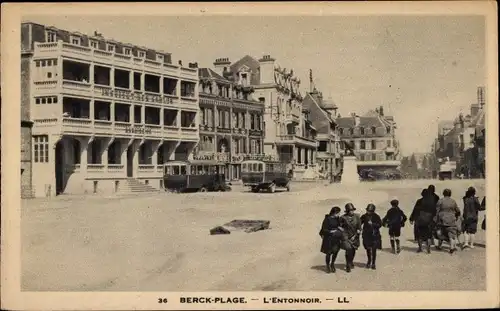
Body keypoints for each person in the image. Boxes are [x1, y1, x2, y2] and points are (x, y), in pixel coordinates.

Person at [435, 188, 461, 254]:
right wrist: (456, 216)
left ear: (443, 193)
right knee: (451, 234)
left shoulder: (440, 201)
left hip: (442, 219)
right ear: (450, 194)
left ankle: (439, 246)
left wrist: (436, 219)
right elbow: (458, 211)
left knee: (441, 233)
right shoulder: (453, 201)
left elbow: (437, 211)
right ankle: (452, 248)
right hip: (451, 220)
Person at [319, 206, 344, 273]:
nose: (339, 214)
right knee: (329, 253)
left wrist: (339, 227)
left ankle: (332, 264)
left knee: (335, 251)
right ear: (334, 213)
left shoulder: (337, 218)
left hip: (336, 238)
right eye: (338, 213)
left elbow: (338, 225)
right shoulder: (327, 219)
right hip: (329, 238)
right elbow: (323, 229)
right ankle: (327, 266)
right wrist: (330, 231)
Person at [410, 189, 435, 253]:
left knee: (419, 235)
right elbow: (434, 212)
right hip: (429, 220)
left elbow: (415, 210)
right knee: (428, 235)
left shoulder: (419, 201)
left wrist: (411, 218)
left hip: (420, 220)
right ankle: (428, 249)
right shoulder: (432, 202)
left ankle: (420, 248)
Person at [340, 203, 362, 273]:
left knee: (353, 250)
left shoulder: (357, 217)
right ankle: (348, 264)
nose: (352, 211)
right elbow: (340, 227)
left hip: (355, 236)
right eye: (350, 210)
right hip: (346, 236)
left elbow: (359, 227)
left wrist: (358, 232)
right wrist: (344, 235)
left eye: (352, 210)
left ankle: (351, 261)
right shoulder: (342, 218)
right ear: (347, 211)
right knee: (348, 249)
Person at [360, 204, 383, 270]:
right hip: (366, 235)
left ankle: (373, 263)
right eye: (367, 210)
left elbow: (380, 224)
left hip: (374, 235)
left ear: (373, 211)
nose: (368, 212)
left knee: (374, 250)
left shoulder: (376, 216)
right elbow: (360, 223)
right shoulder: (364, 216)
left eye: (369, 211)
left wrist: (372, 224)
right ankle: (369, 261)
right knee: (367, 249)